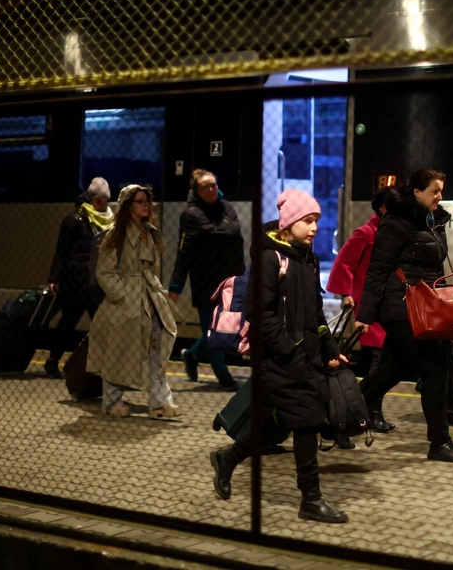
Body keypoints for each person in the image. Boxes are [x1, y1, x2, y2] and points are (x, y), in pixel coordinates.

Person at [210, 189, 350, 523]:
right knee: (306, 421)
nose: (315, 227)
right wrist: (289, 348)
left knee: (274, 426)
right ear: (289, 224)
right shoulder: (271, 258)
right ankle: (311, 499)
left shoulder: (307, 257)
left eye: (316, 220)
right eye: (307, 220)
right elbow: (262, 314)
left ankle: (228, 459)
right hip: (278, 358)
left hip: (305, 356)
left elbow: (316, 313)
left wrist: (331, 349)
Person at [355, 169, 453, 464]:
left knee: (389, 373)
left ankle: (335, 416)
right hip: (400, 307)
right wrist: (365, 314)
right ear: (417, 192)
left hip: (423, 308)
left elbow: (433, 269)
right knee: (433, 369)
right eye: (435, 191)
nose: (440, 196)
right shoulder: (396, 222)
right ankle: (440, 441)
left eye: (442, 191)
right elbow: (378, 269)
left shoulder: (434, 222)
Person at [86, 185, 182, 419]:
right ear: (128, 206)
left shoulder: (149, 232)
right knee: (119, 351)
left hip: (149, 298)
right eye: (139, 201)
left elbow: (151, 268)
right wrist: (122, 294)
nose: (145, 205)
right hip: (126, 302)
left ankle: (160, 402)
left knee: (157, 347)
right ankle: (111, 401)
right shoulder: (115, 235)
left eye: (146, 200)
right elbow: (104, 272)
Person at [325, 187, 397, 435]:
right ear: (383, 208)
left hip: (384, 305)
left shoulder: (386, 233)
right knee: (378, 363)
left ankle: (366, 412)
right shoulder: (365, 233)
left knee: (382, 363)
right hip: (367, 306)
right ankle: (368, 412)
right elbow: (343, 263)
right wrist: (346, 294)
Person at [168, 169, 245, 392]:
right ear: (196, 191)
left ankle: (192, 354)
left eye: (213, 185)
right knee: (214, 330)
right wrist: (176, 286)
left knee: (226, 325)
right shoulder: (191, 215)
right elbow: (183, 254)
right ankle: (223, 375)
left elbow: (238, 243)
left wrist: (241, 277)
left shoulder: (227, 208)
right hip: (205, 283)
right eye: (205, 187)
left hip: (229, 281)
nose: (211, 189)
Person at [44, 177, 114, 378]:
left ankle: (103, 368)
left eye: (105, 200)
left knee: (100, 324)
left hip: (95, 283)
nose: (103, 204)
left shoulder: (109, 220)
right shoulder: (75, 220)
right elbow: (61, 251)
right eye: (99, 200)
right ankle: (53, 360)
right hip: (75, 281)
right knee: (68, 323)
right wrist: (54, 278)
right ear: (91, 199)